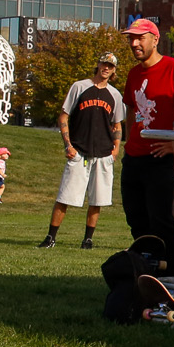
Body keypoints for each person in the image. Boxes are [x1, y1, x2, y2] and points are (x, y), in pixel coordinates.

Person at [118, 17, 174, 274]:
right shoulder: (133, 73)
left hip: (161, 160)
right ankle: (149, 270)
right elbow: (131, 108)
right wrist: (129, 142)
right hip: (134, 157)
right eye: (131, 38)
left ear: (155, 39)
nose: (134, 43)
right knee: (136, 219)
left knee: (161, 220)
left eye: (140, 38)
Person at [38, 52, 124, 249]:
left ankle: (88, 239)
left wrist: (116, 150)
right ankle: (51, 237)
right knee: (65, 197)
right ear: (98, 64)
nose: (106, 68)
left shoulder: (115, 95)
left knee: (97, 199)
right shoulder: (80, 87)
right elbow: (63, 117)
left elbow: (117, 124)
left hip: (103, 153)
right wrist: (68, 145)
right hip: (80, 151)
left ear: (114, 70)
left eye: (110, 66)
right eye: (104, 63)